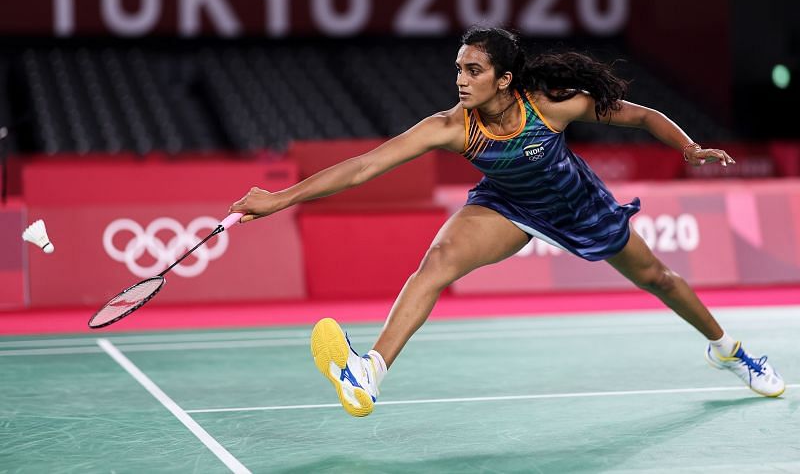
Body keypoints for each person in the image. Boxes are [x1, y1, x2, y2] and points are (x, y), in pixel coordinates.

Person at [229, 27, 785, 417]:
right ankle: (369, 370)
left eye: (474, 70)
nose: (461, 81)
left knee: (659, 280)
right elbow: (366, 167)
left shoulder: (551, 102)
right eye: (458, 70)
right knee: (439, 262)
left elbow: (638, 115)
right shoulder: (453, 125)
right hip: (508, 205)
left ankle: (729, 351)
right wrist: (280, 198)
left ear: (504, 78)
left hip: (578, 206)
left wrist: (688, 148)